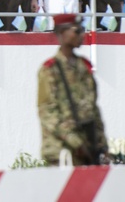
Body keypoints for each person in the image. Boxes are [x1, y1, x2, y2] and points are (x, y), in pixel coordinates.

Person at [36, 13, 108, 166]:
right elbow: (47, 113)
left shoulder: (83, 67)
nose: (82, 35)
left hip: (88, 147)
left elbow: (93, 108)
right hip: (61, 150)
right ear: (62, 33)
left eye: (82, 30)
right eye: (77, 31)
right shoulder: (50, 69)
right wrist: (76, 143)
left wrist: (101, 145)